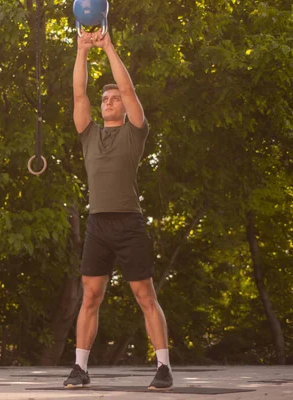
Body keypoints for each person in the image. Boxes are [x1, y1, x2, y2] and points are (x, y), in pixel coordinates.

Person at [63, 30, 173, 390]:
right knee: (90, 296)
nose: (109, 101)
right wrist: (81, 50)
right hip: (98, 224)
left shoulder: (134, 132)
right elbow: (79, 92)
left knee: (145, 295)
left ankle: (163, 367)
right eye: (105, 98)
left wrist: (107, 47)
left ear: (124, 107)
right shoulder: (89, 133)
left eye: (114, 98)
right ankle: (79, 368)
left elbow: (129, 91)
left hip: (129, 223)